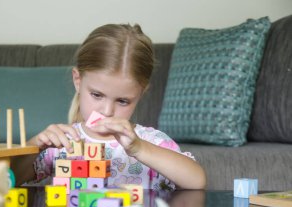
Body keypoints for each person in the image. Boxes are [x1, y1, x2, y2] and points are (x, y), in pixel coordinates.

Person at [12, 24, 206, 190]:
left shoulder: (149, 141)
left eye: (122, 101)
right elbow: (9, 181)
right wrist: (34, 146)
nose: (106, 111)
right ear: (78, 81)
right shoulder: (62, 144)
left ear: (141, 93)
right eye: (97, 95)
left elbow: (197, 181)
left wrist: (139, 149)